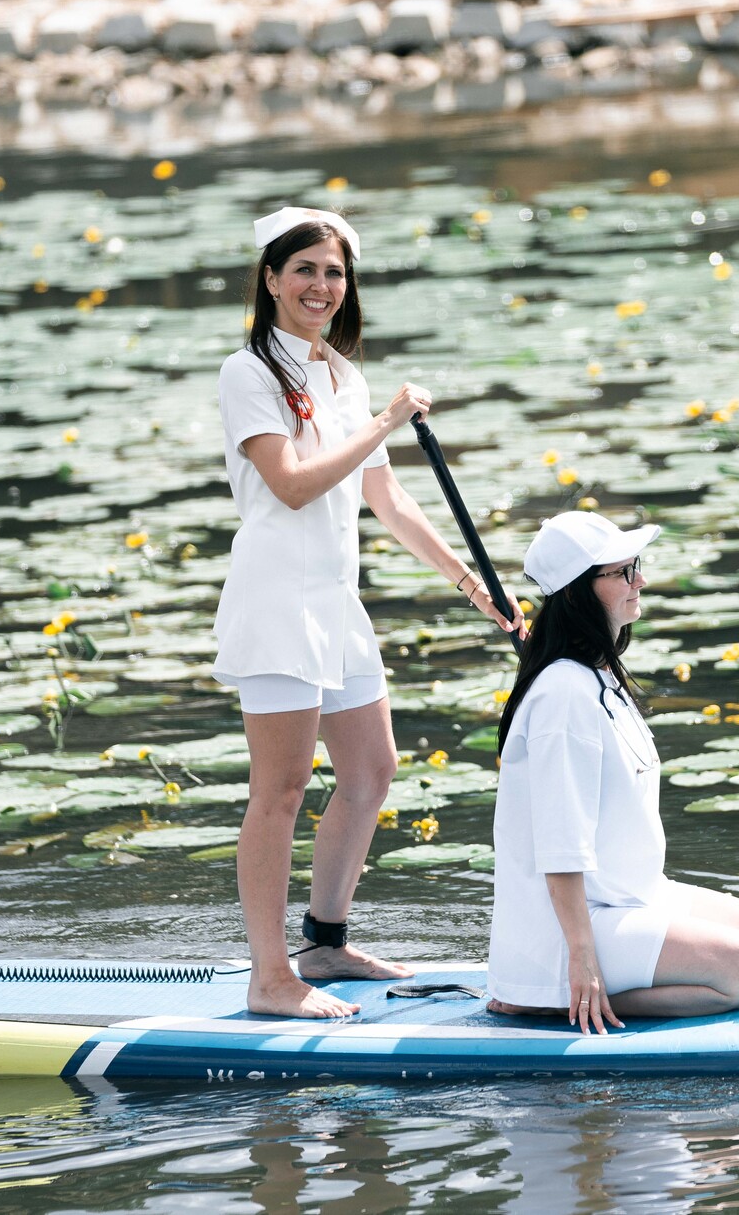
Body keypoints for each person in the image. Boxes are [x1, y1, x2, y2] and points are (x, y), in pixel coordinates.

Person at [215, 206, 521, 1020]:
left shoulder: (343, 376)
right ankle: (270, 976)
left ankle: (324, 937)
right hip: (277, 600)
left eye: (334, 271)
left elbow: (381, 493)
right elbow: (294, 482)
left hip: (336, 605)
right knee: (279, 788)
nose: (322, 285)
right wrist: (385, 420)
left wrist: (468, 579)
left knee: (371, 769)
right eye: (305, 269)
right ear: (272, 280)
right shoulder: (248, 373)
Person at [487, 512, 739, 1033]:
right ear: (576, 593)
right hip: (572, 924)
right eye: (623, 572)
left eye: (636, 566)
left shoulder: (598, 675)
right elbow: (559, 845)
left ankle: (591, 985)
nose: (641, 582)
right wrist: (581, 957)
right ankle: (549, 997)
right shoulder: (563, 693)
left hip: (632, 895)